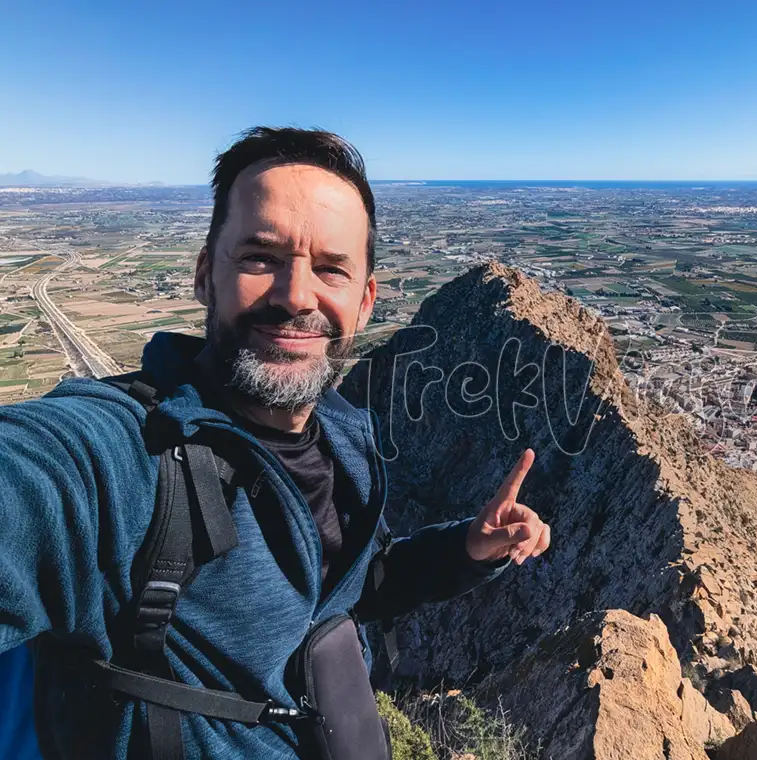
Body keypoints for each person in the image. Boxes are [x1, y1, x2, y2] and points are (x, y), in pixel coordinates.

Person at [0, 126, 551, 759]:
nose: (296, 296)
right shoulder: (124, 455)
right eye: (261, 257)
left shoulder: (343, 441)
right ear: (206, 275)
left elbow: (355, 584)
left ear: (365, 301)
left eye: (331, 269)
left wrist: (467, 550)